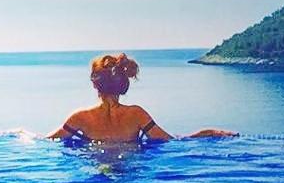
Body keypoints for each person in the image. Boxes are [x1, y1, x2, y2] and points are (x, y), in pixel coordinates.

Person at [48, 53, 237, 143]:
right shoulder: (136, 114)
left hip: (96, 168)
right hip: (130, 168)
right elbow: (171, 141)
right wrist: (208, 132)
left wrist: (22, 134)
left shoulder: (80, 118)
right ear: (123, 84)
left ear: (94, 84)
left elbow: (48, 141)